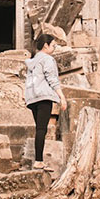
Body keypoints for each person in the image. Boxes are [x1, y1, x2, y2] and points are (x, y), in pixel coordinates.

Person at [24, 33, 67, 171]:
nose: (54, 48)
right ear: (45, 45)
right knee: (42, 129)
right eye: (53, 45)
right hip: (43, 96)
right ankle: (38, 161)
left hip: (32, 98)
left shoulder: (33, 61)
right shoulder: (47, 59)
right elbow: (52, 79)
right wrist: (62, 96)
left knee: (39, 129)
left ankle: (38, 160)